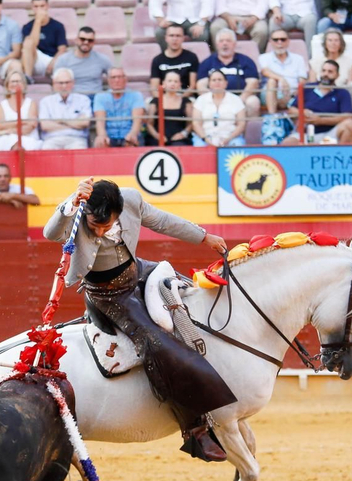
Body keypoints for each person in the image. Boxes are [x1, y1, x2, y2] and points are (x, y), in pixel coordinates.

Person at [43, 178, 234, 461]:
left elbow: (163, 221)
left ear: (120, 211)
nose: (99, 231)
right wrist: (71, 203)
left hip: (138, 271)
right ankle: (195, 429)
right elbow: (51, 233)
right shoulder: (78, 209)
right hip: (108, 295)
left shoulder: (131, 199)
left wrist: (204, 237)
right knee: (155, 343)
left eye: (106, 225)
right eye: (95, 225)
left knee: (187, 297)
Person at [197, 29, 261, 116]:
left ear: (234, 44)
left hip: (241, 98)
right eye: (221, 41)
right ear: (216, 44)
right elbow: (201, 86)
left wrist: (239, 100)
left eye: (228, 41)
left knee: (253, 101)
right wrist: (216, 100)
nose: (225, 43)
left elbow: (253, 83)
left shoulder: (246, 61)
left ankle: (248, 126)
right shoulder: (207, 63)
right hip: (214, 99)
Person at [295, 60, 352, 145]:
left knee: (351, 124)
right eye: (323, 71)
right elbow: (291, 109)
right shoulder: (308, 88)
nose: (326, 74)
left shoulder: (342, 93)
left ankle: (340, 152)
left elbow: (347, 116)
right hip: (306, 133)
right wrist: (302, 112)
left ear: (337, 75)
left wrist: (321, 120)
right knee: (287, 143)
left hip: (331, 134)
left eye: (330, 72)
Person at [37, 69, 93, 150]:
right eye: (61, 83)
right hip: (52, 140)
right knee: (46, 149)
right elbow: (45, 126)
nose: (64, 86)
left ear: (73, 83)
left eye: (67, 82)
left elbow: (84, 122)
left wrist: (61, 121)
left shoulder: (83, 100)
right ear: (54, 84)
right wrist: (74, 124)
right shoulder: (45, 101)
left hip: (77, 139)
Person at [18, 0, 69, 80]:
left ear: (47, 6)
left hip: (51, 59)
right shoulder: (27, 27)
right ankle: (28, 78)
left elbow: (62, 49)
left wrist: (52, 63)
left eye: (42, 6)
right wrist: (38, 21)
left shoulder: (58, 26)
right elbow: (32, 44)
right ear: (32, 8)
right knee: (28, 42)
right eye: (36, 6)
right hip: (33, 61)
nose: (39, 9)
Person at [259, 31, 310, 118]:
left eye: (283, 39)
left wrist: (295, 92)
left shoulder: (298, 58)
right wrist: (281, 79)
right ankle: (273, 118)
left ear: (288, 41)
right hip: (270, 94)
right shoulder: (264, 57)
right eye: (276, 40)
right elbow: (265, 71)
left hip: (292, 93)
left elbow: (302, 79)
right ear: (271, 42)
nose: (279, 42)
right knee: (272, 81)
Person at [92, 67, 146, 149]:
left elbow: (137, 121)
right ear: (108, 80)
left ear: (125, 79)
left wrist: (132, 134)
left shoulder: (136, 95)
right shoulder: (100, 97)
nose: (117, 80)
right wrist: (102, 136)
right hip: (109, 136)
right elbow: (100, 121)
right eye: (113, 77)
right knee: (100, 142)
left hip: (129, 133)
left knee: (133, 142)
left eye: (120, 77)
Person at [192, 69, 247, 147]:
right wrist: (206, 140)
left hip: (230, 138)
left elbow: (241, 124)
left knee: (237, 145)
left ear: (226, 83)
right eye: (214, 80)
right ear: (209, 84)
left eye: (220, 80)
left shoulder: (236, 100)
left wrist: (228, 139)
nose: (217, 82)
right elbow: (196, 124)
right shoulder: (201, 100)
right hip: (206, 138)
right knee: (199, 146)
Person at [54, 27, 114, 94]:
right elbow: (56, 83)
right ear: (76, 40)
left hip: (95, 97)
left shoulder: (102, 59)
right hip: (73, 97)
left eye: (90, 40)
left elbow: (115, 77)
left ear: (94, 42)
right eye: (82, 39)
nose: (86, 42)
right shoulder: (63, 60)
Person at [0, 69, 40, 152]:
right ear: (7, 86)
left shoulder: (31, 103)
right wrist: (23, 122)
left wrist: (10, 129)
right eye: (12, 81)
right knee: (10, 143)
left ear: (24, 85)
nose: (15, 84)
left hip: (28, 137)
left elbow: (31, 125)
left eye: (18, 81)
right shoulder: (1, 105)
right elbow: (0, 125)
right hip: (6, 138)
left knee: (23, 144)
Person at [147, 70, 193, 147]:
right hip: (157, 139)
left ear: (180, 84)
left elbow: (191, 123)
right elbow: (149, 124)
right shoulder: (155, 101)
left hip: (179, 139)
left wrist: (183, 134)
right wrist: (157, 136)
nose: (172, 84)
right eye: (170, 81)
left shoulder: (186, 101)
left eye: (176, 81)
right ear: (164, 83)